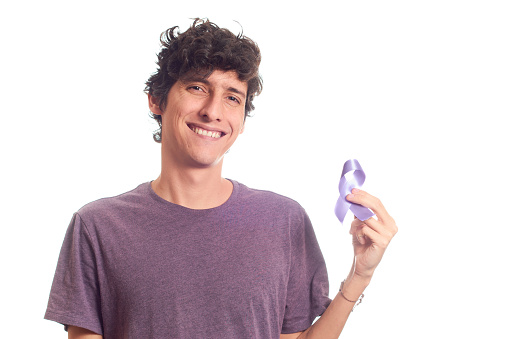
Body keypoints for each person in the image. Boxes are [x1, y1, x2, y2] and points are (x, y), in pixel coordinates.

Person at [45, 19, 397, 339]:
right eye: (198, 88)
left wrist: (359, 275)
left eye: (232, 97)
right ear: (156, 100)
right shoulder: (96, 226)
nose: (213, 111)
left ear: (242, 121)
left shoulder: (284, 220)